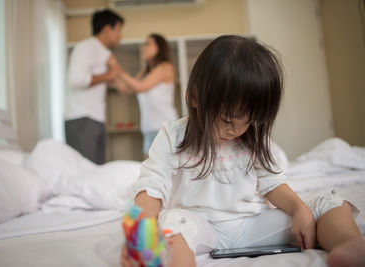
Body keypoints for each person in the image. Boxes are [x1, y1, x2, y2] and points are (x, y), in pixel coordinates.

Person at [120, 35, 365, 267]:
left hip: (251, 224)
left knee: (329, 203)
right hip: (199, 226)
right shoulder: (172, 135)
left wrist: (300, 210)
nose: (236, 130)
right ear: (194, 97)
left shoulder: (253, 136)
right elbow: (152, 188)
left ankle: (350, 246)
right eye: (228, 119)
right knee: (172, 224)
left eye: (248, 121)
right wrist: (139, 234)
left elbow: (273, 183)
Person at [65, 9, 124, 164]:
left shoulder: (105, 53)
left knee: (97, 173)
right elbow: (75, 80)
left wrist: (111, 76)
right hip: (82, 117)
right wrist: (109, 75)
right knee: (84, 173)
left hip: (97, 118)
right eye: (118, 30)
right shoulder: (86, 47)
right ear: (106, 29)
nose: (120, 35)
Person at [116, 33, 179, 157]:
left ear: (159, 47)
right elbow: (127, 89)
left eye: (147, 43)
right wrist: (113, 76)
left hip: (165, 128)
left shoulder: (166, 67)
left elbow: (140, 86)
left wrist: (119, 71)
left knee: (164, 172)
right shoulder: (145, 71)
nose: (142, 47)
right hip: (148, 129)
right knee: (150, 172)